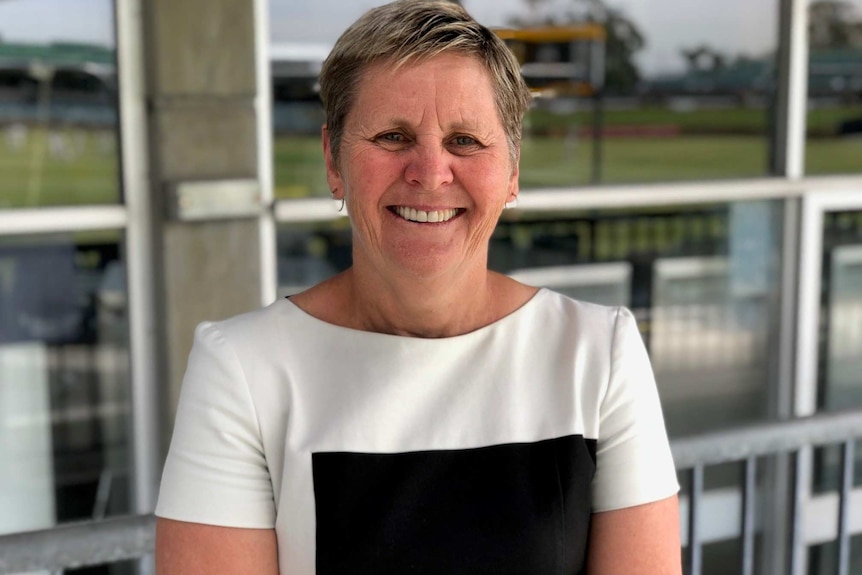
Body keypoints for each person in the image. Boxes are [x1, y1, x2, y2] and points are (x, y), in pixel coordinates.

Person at [154, 1, 681, 573]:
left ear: (512, 170)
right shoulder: (244, 371)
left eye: (465, 141)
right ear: (334, 160)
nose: (430, 172)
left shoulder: (599, 355)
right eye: (392, 136)